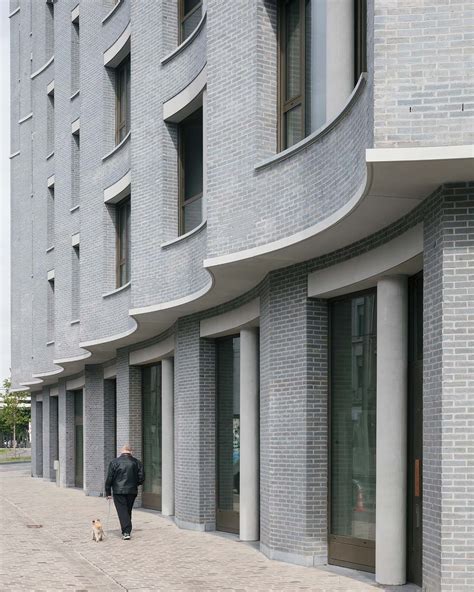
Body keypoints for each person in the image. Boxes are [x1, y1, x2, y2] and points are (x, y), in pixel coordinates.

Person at [105, 444, 145, 540]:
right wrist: (135, 484)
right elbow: (142, 477)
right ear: (131, 451)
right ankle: (126, 530)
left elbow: (109, 478)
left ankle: (126, 532)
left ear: (121, 451)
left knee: (122, 511)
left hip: (118, 490)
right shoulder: (137, 462)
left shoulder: (114, 462)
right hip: (132, 490)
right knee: (128, 510)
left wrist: (108, 492)